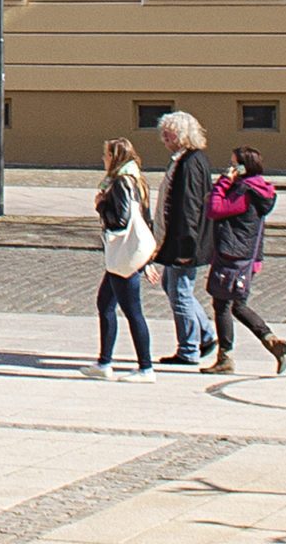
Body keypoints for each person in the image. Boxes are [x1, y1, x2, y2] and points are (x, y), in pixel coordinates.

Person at [204, 146, 286, 375]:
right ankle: (272, 342)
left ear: (244, 167)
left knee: (222, 304)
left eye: (234, 164)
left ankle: (226, 358)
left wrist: (223, 182)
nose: (231, 168)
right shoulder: (260, 189)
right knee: (237, 304)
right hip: (247, 254)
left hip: (233, 254)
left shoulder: (244, 191)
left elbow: (215, 209)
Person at [148, 110, 217, 369]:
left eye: (171, 131)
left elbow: (189, 206)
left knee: (180, 292)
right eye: (163, 130)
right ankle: (206, 335)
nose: (165, 135)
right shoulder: (183, 160)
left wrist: (186, 246)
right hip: (177, 237)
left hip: (184, 241)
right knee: (173, 286)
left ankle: (189, 348)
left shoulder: (189, 163)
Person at [88, 137, 156, 381]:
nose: (103, 159)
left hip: (123, 257)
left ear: (115, 157)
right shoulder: (136, 180)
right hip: (125, 257)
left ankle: (146, 368)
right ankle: (104, 362)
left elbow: (121, 221)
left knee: (132, 311)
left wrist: (101, 206)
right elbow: (145, 221)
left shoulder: (121, 183)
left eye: (106, 154)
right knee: (105, 303)